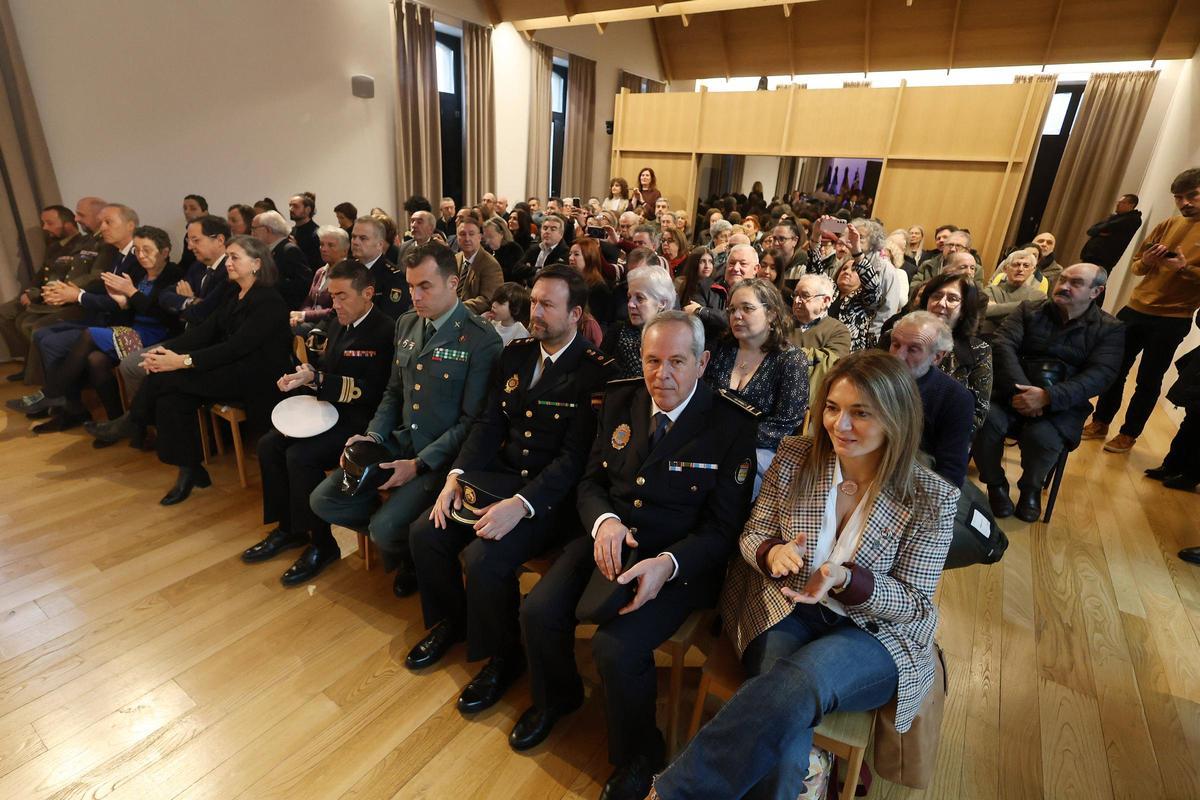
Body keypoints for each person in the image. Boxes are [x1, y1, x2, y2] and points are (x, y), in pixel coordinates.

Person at [649, 351, 957, 800]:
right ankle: (803, 777)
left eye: (860, 413)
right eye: (832, 408)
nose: (840, 426)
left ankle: (672, 792)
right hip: (786, 608)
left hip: (874, 635)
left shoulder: (932, 496)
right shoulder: (796, 455)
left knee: (800, 683)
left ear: (896, 417)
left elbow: (914, 603)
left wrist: (847, 579)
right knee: (786, 733)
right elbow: (752, 533)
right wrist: (771, 553)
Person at [512, 312, 758, 800]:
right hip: (610, 538)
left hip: (678, 561)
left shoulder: (731, 423)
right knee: (537, 611)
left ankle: (640, 754)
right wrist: (604, 522)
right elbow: (590, 482)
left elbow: (723, 530)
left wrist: (667, 565)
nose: (660, 375)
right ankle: (558, 698)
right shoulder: (622, 399)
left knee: (616, 647)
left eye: (676, 362)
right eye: (651, 360)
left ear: (703, 362)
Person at [406, 265, 611, 715]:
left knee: (482, 558)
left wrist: (522, 505)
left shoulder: (594, 372)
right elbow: (488, 423)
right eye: (533, 301)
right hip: (500, 478)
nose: (534, 311)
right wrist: (455, 477)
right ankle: (451, 623)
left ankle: (505, 656)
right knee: (426, 531)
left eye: (547, 305)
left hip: (550, 502)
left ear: (576, 314)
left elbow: (575, 460)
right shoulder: (515, 354)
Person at [308, 242, 502, 597]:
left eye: (425, 286)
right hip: (399, 441)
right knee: (324, 500)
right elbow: (394, 393)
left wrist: (417, 464)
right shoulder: (407, 324)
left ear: (453, 283)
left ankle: (407, 549)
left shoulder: (480, 339)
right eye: (411, 286)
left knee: (384, 529)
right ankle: (407, 544)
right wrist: (373, 437)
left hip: (438, 460)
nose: (415, 296)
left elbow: (473, 421)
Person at [87, 235, 293, 505]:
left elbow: (235, 348)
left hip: (256, 379)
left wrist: (181, 361)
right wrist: (161, 352)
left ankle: (133, 422)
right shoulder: (235, 292)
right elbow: (205, 332)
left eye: (234, 258)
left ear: (256, 264)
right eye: (228, 256)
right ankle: (190, 469)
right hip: (230, 368)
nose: (228, 263)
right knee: (171, 394)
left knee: (169, 378)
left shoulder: (268, 301)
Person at [242, 260, 396, 585]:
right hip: (326, 412)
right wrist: (306, 377)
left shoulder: (385, 330)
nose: (334, 303)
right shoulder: (338, 322)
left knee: (300, 456)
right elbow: (324, 365)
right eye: (331, 296)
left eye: (342, 296)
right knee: (270, 444)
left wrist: (319, 380)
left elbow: (375, 391)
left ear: (368, 293)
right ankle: (289, 528)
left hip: (359, 422)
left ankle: (322, 544)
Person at [973, 264, 1125, 522]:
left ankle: (1031, 488)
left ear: (1096, 291)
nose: (1064, 286)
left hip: (1063, 404)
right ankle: (995, 484)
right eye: (1062, 279)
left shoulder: (1110, 328)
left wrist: (1047, 397)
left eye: (1075, 283)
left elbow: (1101, 375)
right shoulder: (1028, 310)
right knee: (983, 421)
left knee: (1042, 437)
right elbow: (1001, 346)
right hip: (1012, 391)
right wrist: (1023, 391)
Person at [1082, 168, 1200, 456]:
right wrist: (1147, 261)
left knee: (1149, 378)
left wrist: (1184, 269)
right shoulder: (1167, 224)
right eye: (1178, 198)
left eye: (1192, 195)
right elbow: (1137, 267)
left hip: (1174, 318)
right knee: (1114, 367)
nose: (1184, 203)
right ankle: (1100, 421)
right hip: (1135, 308)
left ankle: (1128, 434)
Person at [33, 226, 184, 434]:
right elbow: (130, 309)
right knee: (95, 359)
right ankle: (114, 423)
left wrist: (130, 293)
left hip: (157, 336)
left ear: (165, 252)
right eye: (137, 250)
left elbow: (163, 314)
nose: (140, 255)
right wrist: (123, 302)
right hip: (133, 331)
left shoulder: (173, 274)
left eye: (147, 250)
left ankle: (55, 391)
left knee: (90, 334)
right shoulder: (140, 273)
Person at [705, 279, 808, 489]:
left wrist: (733, 440)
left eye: (747, 309)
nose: (737, 316)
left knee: (729, 479)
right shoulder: (721, 349)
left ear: (771, 314)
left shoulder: (790, 360)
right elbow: (704, 399)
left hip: (762, 449)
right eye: (732, 310)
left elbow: (786, 424)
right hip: (712, 439)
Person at [0, 204, 91, 383]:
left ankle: (39, 373)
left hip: (57, 298)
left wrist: (36, 294)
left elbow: (69, 280)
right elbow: (41, 274)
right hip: (41, 294)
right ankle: (28, 362)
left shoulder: (84, 245)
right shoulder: (53, 247)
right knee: (5, 313)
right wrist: (29, 291)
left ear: (67, 223)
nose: (45, 228)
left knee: (25, 322)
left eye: (49, 223)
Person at [898, 272, 994, 434]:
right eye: (936, 296)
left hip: (941, 439)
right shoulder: (897, 336)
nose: (941, 303)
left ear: (964, 309)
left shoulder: (979, 351)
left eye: (952, 299)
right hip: (890, 428)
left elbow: (977, 414)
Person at [888, 312, 975, 487]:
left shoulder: (955, 398)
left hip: (915, 481)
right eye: (895, 344)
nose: (898, 355)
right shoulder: (871, 379)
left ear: (937, 357)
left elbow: (950, 473)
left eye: (913, 349)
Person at [602, 264, 676, 379]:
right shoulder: (616, 332)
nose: (630, 304)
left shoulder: (676, 338)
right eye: (629, 297)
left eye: (640, 298)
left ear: (662, 303)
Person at [824, 223, 880, 352]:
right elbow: (813, 273)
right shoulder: (828, 291)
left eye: (854, 270)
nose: (847, 272)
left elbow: (873, 287)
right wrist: (815, 238)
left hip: (848, 356)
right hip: (820, 349)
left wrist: (857, 251)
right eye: (844, 269)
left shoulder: (865, 299)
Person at [290, 225, 349, 335]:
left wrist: (304, 316)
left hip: (331, 325)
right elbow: (308, 301)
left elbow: (335, 311)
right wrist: (300, 315)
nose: (324, 249)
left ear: (344, 251)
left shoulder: (347, 274)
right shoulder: (320, 271)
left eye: (330, 245)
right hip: (312, 322)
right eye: (321, 244)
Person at [349, 215, 410, 321]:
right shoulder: (348, 270)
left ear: (380, 244)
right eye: (353, 237)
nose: (355, 242)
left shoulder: (394, 277)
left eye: (363, 238)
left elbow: (388, 320)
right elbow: (336, 309)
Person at [251, 210, 313, 310]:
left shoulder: (289, 250)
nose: (252, 233)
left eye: (254, 228)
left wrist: (268, 282)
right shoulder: (268, 250)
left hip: (284, 308)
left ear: (268, 229)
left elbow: (303, 283)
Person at [980, 249, 1046, 337]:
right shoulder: (991, 290)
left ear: (1032, 270)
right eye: (1016, 265)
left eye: (1026, 266)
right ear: (1005, 269)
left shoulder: (1039, 295)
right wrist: (1026, 307)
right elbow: (986, 311)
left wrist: (997, 310)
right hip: (989, 338)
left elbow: (1032, 324)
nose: (1020, 269)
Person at [789, 273, 851, 362]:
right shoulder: (783, 323)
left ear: (825, 301)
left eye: (805, 295)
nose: (796, 300)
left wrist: (786, 354)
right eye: (795, 295)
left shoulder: (838, 331)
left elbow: (830, 365)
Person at [675, 247, 727, 344]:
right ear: (694, 264)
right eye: (702, 262)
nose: (707, 266)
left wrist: (701, 310)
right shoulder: (682, 284)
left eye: (710, 261)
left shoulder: (715, 287)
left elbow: (720, 319)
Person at [455, 213, 504, 314]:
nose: (467, 238)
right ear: (457, 237)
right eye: (462, 234)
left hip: (474, 318)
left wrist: (455, 308)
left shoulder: (490, 264)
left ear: (480, 237)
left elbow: (488, 300)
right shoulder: (455, 259)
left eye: (471, 234)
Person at [1081, 194, 1142, 269]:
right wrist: (1099, 231)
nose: (1117, 204)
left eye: (1122, 203)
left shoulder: (1132, 219)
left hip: (1103, 259)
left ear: (1131, 205)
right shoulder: (1114, 217)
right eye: (1118, 202)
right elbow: (1091, 230)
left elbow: (1104, 227)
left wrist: (1099, 231)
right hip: (1091, 255)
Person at [568, 236, 615, 330]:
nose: (570, 258)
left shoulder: (598, 288)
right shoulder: (568, 280)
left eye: (576, 254)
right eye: (570, 254)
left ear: (589, 257)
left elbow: (595, 322)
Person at [517, 213, 569, 283]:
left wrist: (528, 269)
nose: (547, 232)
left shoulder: (565, 252)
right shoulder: (534, 248)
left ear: (561, 234)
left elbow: (550, 276)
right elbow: (517, 269)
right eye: (545, 228)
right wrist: (537, 270)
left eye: (553, 229)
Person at [483, 216, 525, 281]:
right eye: (486, 237)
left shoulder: (514, 249)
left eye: (491, 237)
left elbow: (516, 274)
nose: (487, 241)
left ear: (502, 234)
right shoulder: (486, 249)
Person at [287, 192, 323, 268]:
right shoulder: (290, 231)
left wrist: (297, 249)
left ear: (307, 210)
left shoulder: (317, 233)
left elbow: (317, 263)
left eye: (295, 206)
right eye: (290, 206)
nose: (291, 209)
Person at [177, 194, 207, 271]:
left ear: (205, 212)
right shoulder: (188, 234)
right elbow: (186, 261)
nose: (187, 212)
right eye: (185, 208)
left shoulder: (212, 231)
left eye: (193, 209)